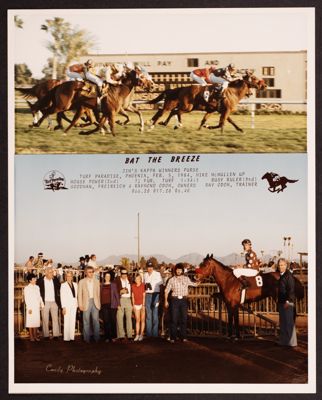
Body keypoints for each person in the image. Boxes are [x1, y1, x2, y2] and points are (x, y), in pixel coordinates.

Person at [164, 263, 198, 343]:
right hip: (174, 300)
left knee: (184, 319)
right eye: (177, 270)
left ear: (182, 271)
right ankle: (173, 337)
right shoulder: (171, 280)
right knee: (174, 319)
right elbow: (166, 291)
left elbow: (194, 284)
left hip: (183, 300)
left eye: (180, 270)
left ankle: (183, 337)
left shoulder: (186, 279)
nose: (179, 271)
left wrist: (199, 280)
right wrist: (166, 301)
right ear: (175, 270)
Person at [78, 266, 101, 343]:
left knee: (96, 321)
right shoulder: (81, 282)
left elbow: (98, 294)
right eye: (89, 272)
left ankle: (97, 338)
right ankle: (86, 339)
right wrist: (80, 305)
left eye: (92, 272)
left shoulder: (97, 281)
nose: (91, 273)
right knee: (86, 321)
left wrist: (99, 304)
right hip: (86, 303)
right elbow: (79, 294)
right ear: (86, 273)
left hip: (95, 303)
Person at [37, 266, 61, 340]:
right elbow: (38, 291)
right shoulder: (40, 280)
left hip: (54, 302)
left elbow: (59, 288)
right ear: (46, 273)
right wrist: (40, 302)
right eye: (51, 272)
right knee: (45, 319)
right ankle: (46, 335)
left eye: (52, 272)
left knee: (55, 319)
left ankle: (56, 335)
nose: (52, 274)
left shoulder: (55, 279)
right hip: (45, 302)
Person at [277, 258, 297, 346]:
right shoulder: (282, 275)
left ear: (286, 265)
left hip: (288, 302)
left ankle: (292, 343)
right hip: (282, 302)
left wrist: (288, 302)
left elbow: (291, 290)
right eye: (279, 265)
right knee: (283, 323)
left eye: (282, 265)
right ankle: (284, 341)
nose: (280, 267)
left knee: (289, 323)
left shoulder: (288, 276)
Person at [143, 261, 163, 338]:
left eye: (151, 267)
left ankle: (154, 334)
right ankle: (148, 333)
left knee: (155, 314)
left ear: (153, 268)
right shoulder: (145, 275)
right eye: (148, 267)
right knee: (148, 314)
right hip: (147, 295)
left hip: (156, 294)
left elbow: (161, 286)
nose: (150, 269)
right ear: (147, 268)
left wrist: (160, 297)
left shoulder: (157, 274)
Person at [24, 273, 44, 341]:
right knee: (30, 322)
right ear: (30, 280)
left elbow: (39, 296)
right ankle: (31, 336)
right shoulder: (27, 288)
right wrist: (29, 308)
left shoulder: (37, 287)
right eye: (34, 279)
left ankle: (35, 336)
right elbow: (26, 298)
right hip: (31, 307)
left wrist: (42, 304)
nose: (35, 280)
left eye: (35, 278)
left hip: (36, 307)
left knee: (36, 321)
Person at [115, 268, 133, 341]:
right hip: (120, 299)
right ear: (120, 274)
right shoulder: (117, 280)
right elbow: (115, 291)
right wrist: (120, 292)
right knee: (119, 318)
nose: (124, 275)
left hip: (128, 300)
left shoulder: (130, 280)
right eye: (123, 274)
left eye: (125, 274)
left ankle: (129, 335)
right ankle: (121, 335)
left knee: (129, 318)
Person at [60, 270, 78, 342]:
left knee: (73, 320)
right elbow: (62, 296)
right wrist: (63, 307)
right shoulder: (63, 285)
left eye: (70, 276)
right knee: (67, 320)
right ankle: (66, 337)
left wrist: (77, 304)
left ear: (72, 277)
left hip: (74, 304)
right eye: (67, 276)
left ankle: (72, 336)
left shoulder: (76, 284)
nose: (69, 277)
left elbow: (76, 296)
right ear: (65, 277)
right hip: (66, 305)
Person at [100, 271, 118, 342]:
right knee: (106, 321)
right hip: (104, 305)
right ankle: (107, 337)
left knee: (113, 321)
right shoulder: (101, 285)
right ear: (104, 277)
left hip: (112, 305)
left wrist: (118, 304)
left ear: (110, 277)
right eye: (106, 276)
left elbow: (116, 295)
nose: (107, 277)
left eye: (109, 276)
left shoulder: (113, 285)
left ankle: (114, 336)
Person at [131, 274, 146, 341]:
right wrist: (133, 305)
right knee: (137, 320)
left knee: (142, 320)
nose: (137, 280)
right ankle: (137, 334)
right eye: (136, 279)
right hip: (136, 305)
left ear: (140, 279)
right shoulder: (133, 286)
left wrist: (143, 305)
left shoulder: (143, 285)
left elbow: (144, 295)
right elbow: (132, 296)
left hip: (142, 304)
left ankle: (141, 334)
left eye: (138, 278)